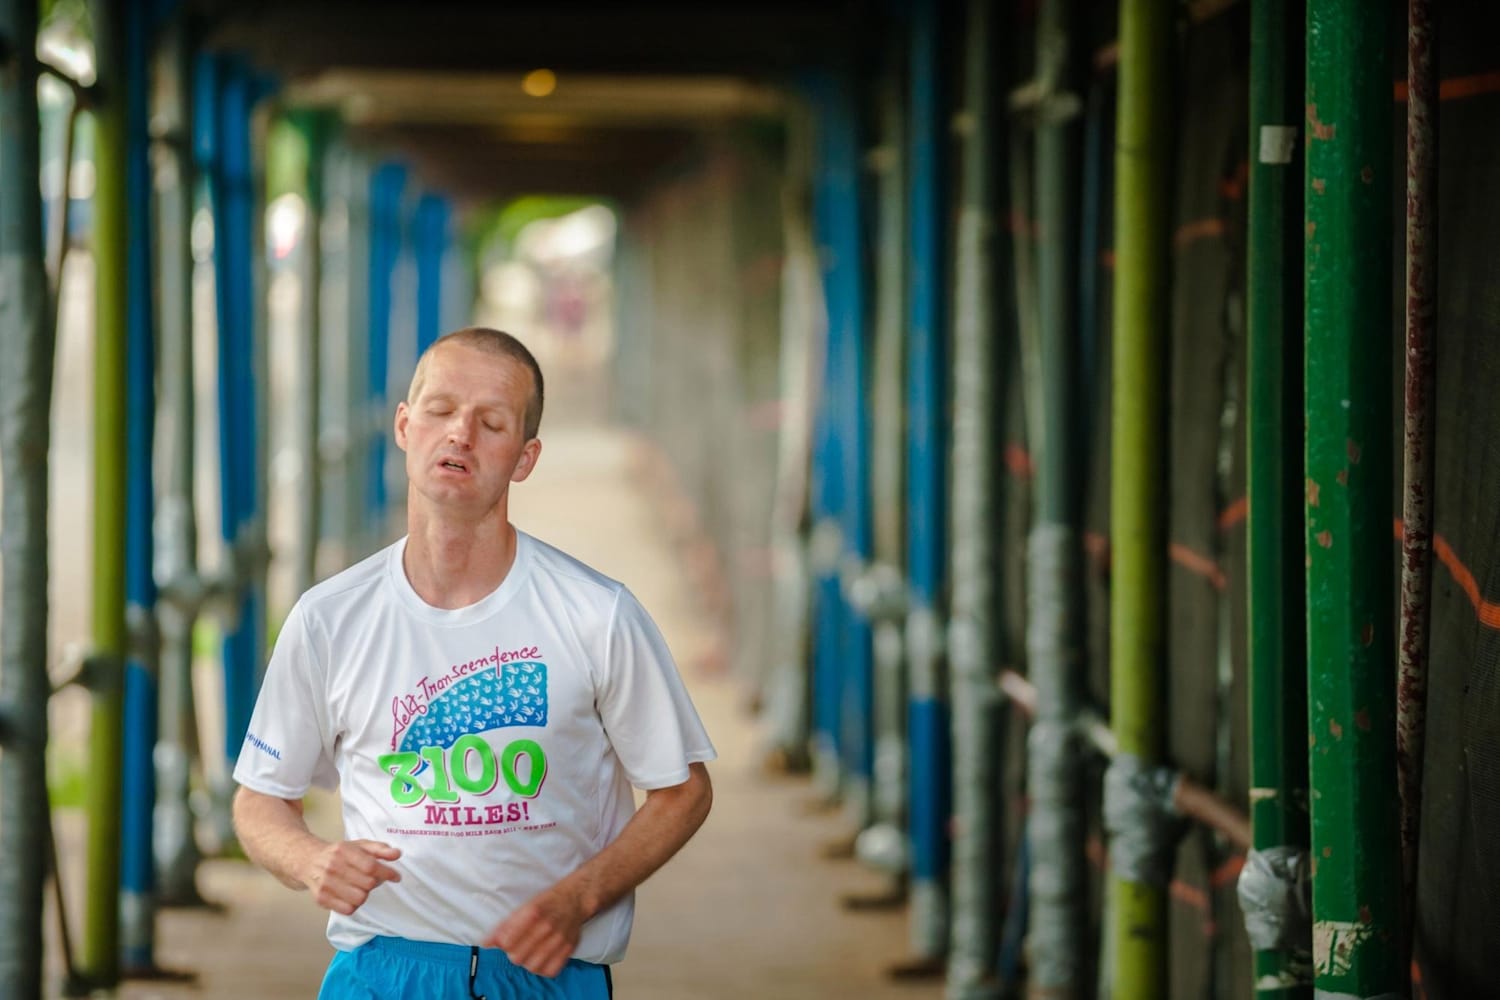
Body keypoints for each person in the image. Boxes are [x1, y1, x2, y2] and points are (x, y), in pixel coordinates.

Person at [232, 327, 716, 1000]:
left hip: (548, 975)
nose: (459, 433)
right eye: (439, 410)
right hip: (381, 972)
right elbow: (259, 798)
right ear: (404, 426)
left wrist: (579, 899)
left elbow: (682, 790)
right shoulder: (328, 618)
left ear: (525, 457)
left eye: (491, 423)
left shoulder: (596, 613)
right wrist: (312, 862)